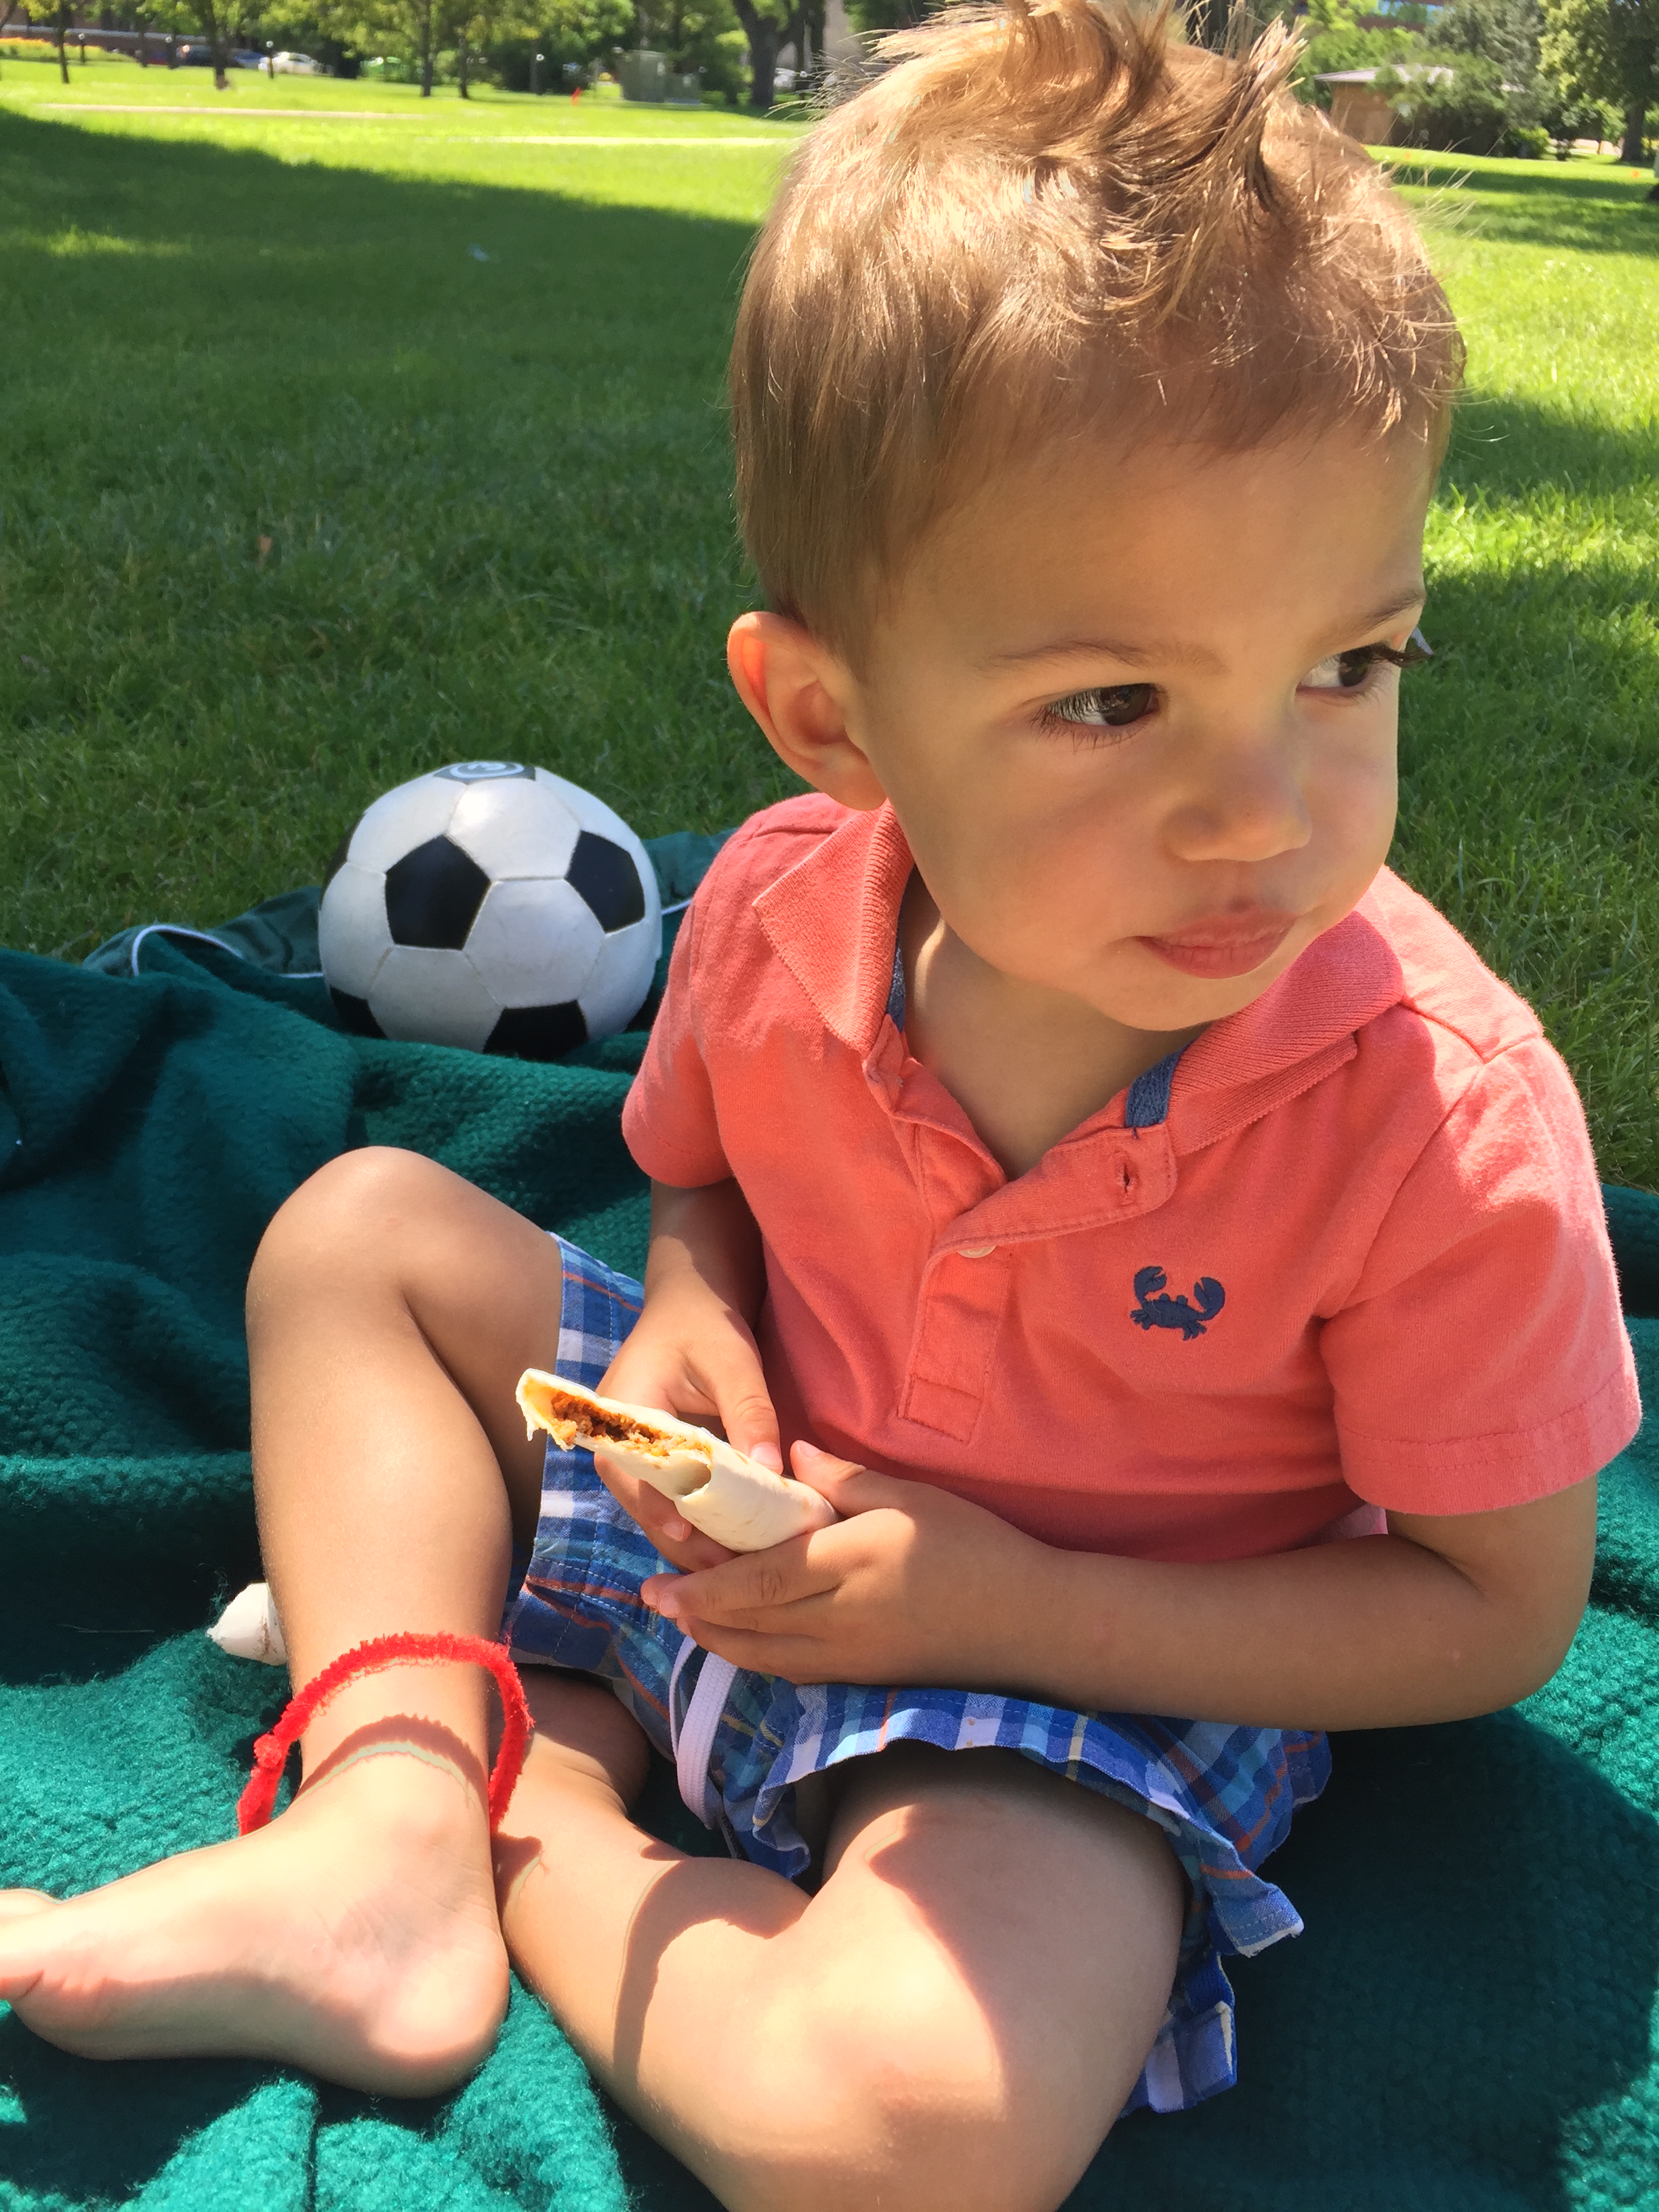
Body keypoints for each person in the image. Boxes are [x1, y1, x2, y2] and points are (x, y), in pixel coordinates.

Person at [0, 7, 1640, 2209]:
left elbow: (1493, 1614)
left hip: (1086, 1680)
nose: (1265, 810)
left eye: (1351, 664)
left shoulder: (1437, 1122)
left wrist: (1007, 1607)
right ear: (831, 721)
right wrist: (696, 1309)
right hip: (731, 1503)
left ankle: (512, 1810)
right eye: (1115, 701)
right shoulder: (784, 914)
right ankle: (381, 1815)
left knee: (908, 2133)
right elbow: (699, 1171)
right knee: (358, 1230)